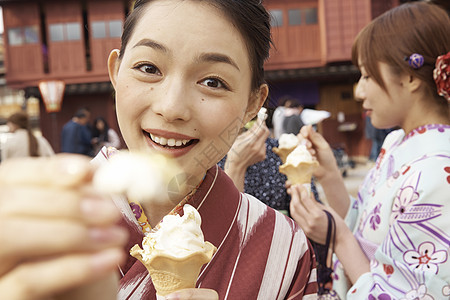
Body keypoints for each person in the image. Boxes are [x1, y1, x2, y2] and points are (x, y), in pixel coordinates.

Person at [0, 0, 318, 299]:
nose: (171, 107)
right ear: (115, 71)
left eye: (213, 82)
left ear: (252, 104)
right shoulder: (32, 224)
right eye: (149, 68)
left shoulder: (283, 249)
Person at [289, 2, 450, 299]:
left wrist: (338, 239)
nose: (359, 91)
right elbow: (365, 227)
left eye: (366, 75)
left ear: (410, 77)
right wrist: (329, 176)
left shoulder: (439, 173)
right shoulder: (396, 142)